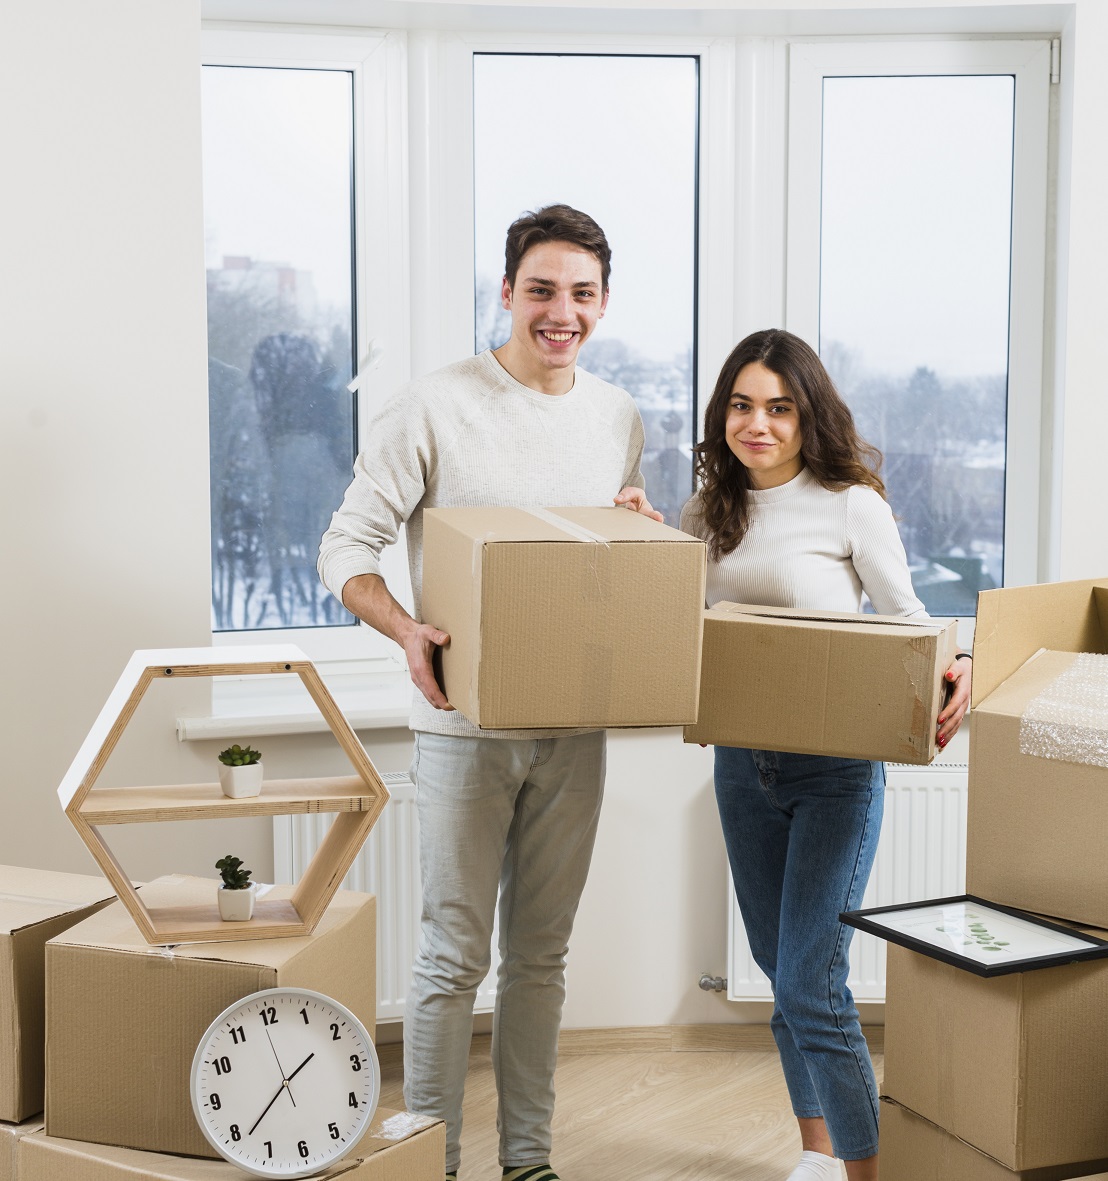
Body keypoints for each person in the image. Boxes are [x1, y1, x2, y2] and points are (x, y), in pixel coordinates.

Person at [318, 204, 659, 1181]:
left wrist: (636, 525)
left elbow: (602, 569)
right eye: (542, 290)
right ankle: (429, 1163)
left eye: (581, 294)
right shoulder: (432, 405)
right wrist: (406, 631)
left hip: (574, 731)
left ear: (602, 304)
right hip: (463, 725)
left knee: (540, 960)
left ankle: (527, 1162)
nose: (562, 312)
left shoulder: (615, 415)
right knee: (449, 959)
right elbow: (345, 546)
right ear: (504, 292)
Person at [684, 329, 970, 1181]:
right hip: (741, 767)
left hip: (835, 770)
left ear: (810, 415)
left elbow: (908, 621)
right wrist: (643, 541)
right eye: (742, 405)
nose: (758, 424)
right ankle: (817, 1155)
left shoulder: (850, 502)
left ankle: (868, 1170)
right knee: (782, 972)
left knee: (813, 981)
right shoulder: (709, 511)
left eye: (779, 407)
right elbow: (678, 624)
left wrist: (963, 659)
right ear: (722, 414)